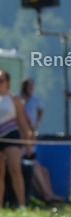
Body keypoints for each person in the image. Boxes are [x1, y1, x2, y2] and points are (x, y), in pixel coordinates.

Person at [0, 71, 34, 209]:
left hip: (11, 134)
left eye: (1, 79)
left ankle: (21, 204)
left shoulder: (14, 99)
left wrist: (28, 142)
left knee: (15, 169)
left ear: (7, 81)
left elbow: (22, 121)